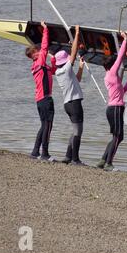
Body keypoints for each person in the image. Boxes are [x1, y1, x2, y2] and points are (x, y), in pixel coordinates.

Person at [97, 31, 127, 171]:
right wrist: (125, 40)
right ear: (111, 66)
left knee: (116, 136)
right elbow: (120, 57)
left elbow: (123, 90)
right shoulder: (112, 74)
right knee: (118, 136)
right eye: (115, 65)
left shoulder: (112, 78)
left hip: (113, 108)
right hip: (116, 109)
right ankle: (108, 163)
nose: (117, 65)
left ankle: (103, 160)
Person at [54, 25, 85, 166]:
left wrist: (80, 67)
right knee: (78, 132)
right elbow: (74, 51)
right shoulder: (66, 68)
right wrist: (77, 33)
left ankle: (67, 157)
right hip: (74, 103)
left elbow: (77, 79)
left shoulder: (59, 72)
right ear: (64, 61)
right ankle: (75, 159)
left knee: (74, 131)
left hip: (67, 104)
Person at [25, 21, 56, 162]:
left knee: (43, 125)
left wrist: (53, 59)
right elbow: (44, 46)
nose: (40, 51)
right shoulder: (39, 61)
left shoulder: (39, 66)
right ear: (34, 54)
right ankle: (45, 154)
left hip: (40, 100)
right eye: (36, 51)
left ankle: (35, 152)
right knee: (48, 126)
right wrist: (45, 30)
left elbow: (53, 71)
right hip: (45, 99)